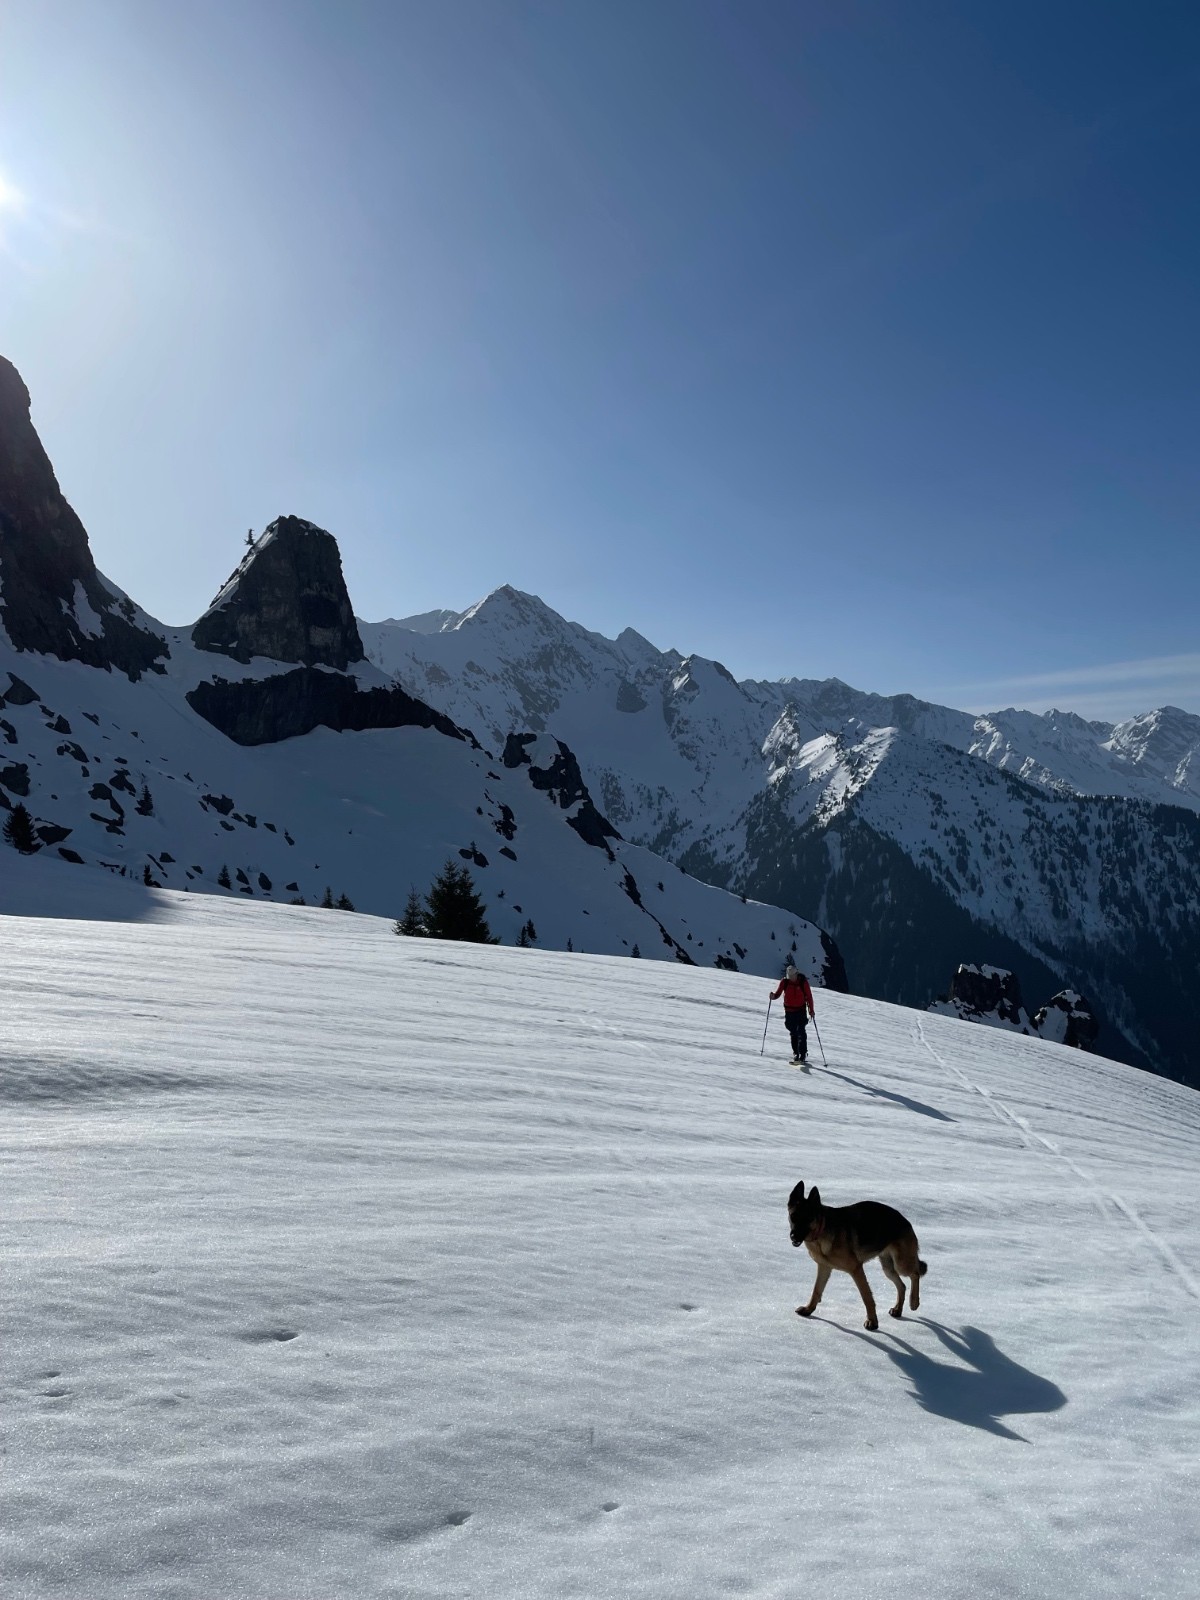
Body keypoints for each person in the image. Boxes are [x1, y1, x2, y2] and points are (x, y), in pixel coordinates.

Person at [770, 963, 815, 1063]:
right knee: (793, 1032)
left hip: (800, 1011)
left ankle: (802, 1054)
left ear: (796, 974)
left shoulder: (803, 982)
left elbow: (809, 997)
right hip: (789, 1012)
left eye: (792, 976)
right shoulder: (784, 982)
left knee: (801, 1031)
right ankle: (796, 1053)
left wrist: (811, 1010)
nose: (790, 978)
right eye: (789, 976)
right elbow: (778, 993)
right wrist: (773, 996)